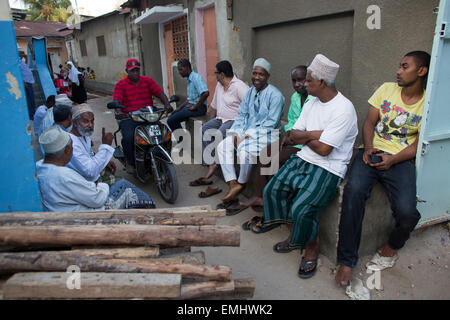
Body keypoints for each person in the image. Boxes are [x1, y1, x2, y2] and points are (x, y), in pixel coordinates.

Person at [243, 54, 358, 279]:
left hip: (329, 167)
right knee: (273, 191)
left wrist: (305, 137)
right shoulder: (312, 102)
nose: (304, 84)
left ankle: (311, 249)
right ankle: (295, 236)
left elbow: (326, 150)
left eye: (308, 81)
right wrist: (312, 136)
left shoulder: (344, 109)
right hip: (304, 157)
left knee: (302, 209)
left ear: (322, 83)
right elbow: (295, 135)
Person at [335, 51, 430, 287]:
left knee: (408, 213)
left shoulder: (427, 103)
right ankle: (346, 261)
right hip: (371, 153)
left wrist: (393, 160)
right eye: (399, 66)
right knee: (353, 193)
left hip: (400, 159)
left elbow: (418, 143)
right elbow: (369, 122)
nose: (398, 71)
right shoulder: (387, 89)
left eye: (404, 66)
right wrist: (367, 148)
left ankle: (392, 246)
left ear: (421, 71)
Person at [239, 65, 312, 212]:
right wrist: (290, 132)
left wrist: (295, 136)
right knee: (265, 153)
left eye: (301, 80)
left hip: (305, 144)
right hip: (292, 138)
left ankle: (271, 203)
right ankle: (259, 195)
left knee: (275, 160)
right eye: (294, 80)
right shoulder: (295, 97)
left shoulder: (314, 99)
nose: (297, 84)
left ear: (308, 80)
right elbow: (291, 121)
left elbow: (312, 128)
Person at [216, 58, 285, 210]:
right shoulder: (249, 93)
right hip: (245, 133)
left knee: (244, 151)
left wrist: (246, 136)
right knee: (222, 145)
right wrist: (236, 134)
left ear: (268, 76)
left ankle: (241, 183)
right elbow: (241, 115)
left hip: (267, 136)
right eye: (254, 73)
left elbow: (271, 123)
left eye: (261, 74)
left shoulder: (276, 96)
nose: (256, 77)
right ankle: (232, 184)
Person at [36, 126, 155, 212]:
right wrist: (103, 186)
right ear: (67, 150)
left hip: (65, 209)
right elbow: (96, 199)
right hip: (84, 217)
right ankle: (152, 216)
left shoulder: (40, 167)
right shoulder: (63, 175)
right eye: (72, 147)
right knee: (125, 187)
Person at [188, 60, 249, 197]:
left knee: (220, 133)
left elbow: (249, 108)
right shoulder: (220, 86)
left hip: (234, 120)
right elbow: (213, 107)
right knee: (204, 129)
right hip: (220, 118)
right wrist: (211, 120)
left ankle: (216, 164)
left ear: (222, 74)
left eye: (216, 73)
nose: (214, 75)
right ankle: (211, 164)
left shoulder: (240, 87)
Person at [112, 58, 172, 173]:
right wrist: (119, 111)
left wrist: (167, 104)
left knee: (164, 133)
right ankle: (130, 163)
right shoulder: (121, 85)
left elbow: (159, 92)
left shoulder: (147, 81)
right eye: (132, 71)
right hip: (130, 118)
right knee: (129, 138)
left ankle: (165, 157)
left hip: (148, 116)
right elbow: (117, 101)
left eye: (137, 70)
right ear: (127, 71)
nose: (135, 73)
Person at [67, 104, 117, 186]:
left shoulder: (84, 136)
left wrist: (104, 162)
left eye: (92, 121)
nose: (90, 125)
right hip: (85, 183)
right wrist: (105, 146)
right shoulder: (71, 144)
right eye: (85, 121)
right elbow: (90, 172)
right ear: (75, 123)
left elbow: (89, 156)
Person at [167, 59, 209, 137]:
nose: (179, 72)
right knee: (172, 117)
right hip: (192, 106)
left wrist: (195, 106)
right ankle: (184, 138)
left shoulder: (196, 78)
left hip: (200, 108)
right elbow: (190, 99)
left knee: (171, 120)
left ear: (187, 68)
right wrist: (178, 108)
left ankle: (183, 140)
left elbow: (205, 93)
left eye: (181, 69)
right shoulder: (190, 79)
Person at [19, 50, 36, 120]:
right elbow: (18, 73)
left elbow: (26, 65)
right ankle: (31, 114)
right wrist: (23, 82)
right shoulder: (17, 63)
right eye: (21, 53)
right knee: (29, 99)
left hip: (29, 81)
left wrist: (26, 58)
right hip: (26, 82)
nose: (23, 54)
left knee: (31, 98)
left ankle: (32, 113)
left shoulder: (21, 61)